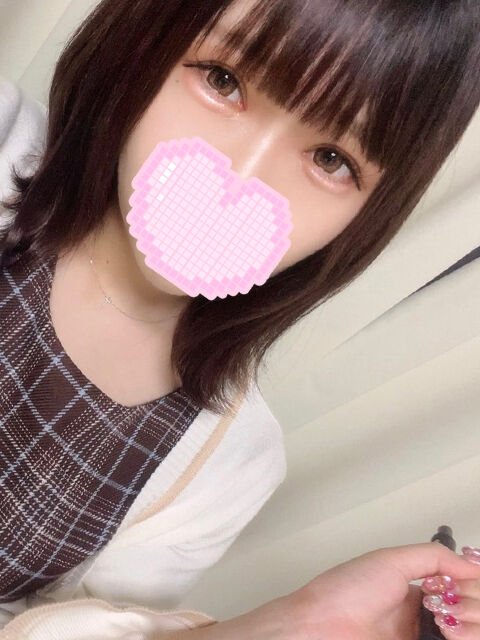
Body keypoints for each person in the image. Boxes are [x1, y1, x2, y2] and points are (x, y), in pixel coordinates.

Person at [0, 0, 479, 637]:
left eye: (331, 159)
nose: (241, 176)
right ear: (145, 38)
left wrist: (294, 622)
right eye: (222, 80)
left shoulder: (229, 464)